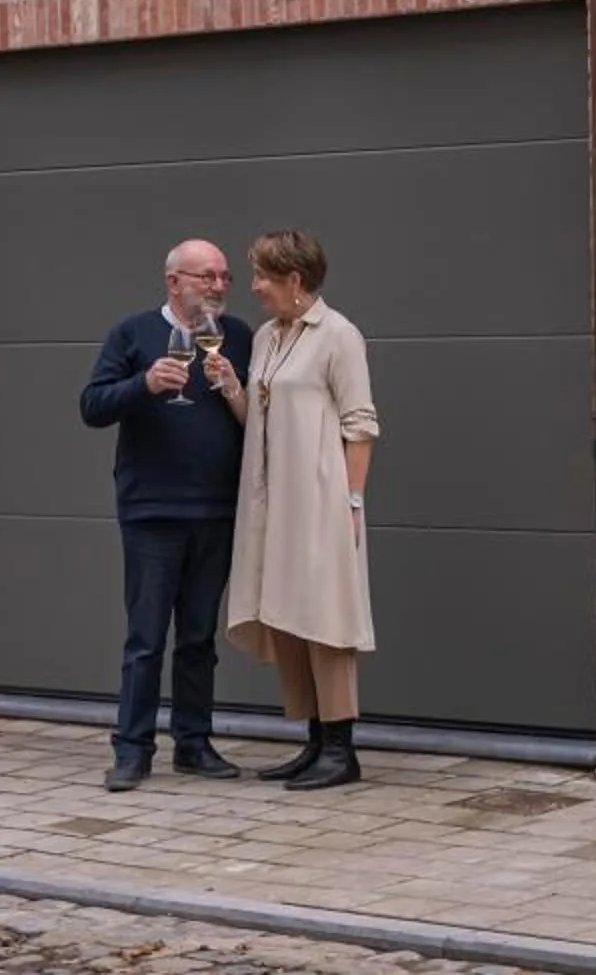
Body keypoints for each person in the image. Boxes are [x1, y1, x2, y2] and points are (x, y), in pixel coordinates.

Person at [78, 238, 255, 791]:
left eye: (224, 276)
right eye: (206, 276)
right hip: (152, 510)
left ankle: (194, 745)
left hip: (217, 509)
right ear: (173, 281)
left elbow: (258, 416)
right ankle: (131, 750)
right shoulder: (132, 333)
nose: (219, 286)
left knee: (199, 637)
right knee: (147, 638)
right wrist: (146, 384)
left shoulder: (241, 337)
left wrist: (232, 386)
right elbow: (92, 405)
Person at [213, 228, 378, 790]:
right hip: (267, 500)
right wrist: (233, 387)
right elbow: (258, 418)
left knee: (324, 617)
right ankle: (313, 743)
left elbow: (361, 425)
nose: (254, 286)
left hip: (319, 498)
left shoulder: (339, 336)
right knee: (285, 616)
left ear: (295, 280)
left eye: (262, 275)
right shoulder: (266, 337)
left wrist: (351, 501)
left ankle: (341, 749)